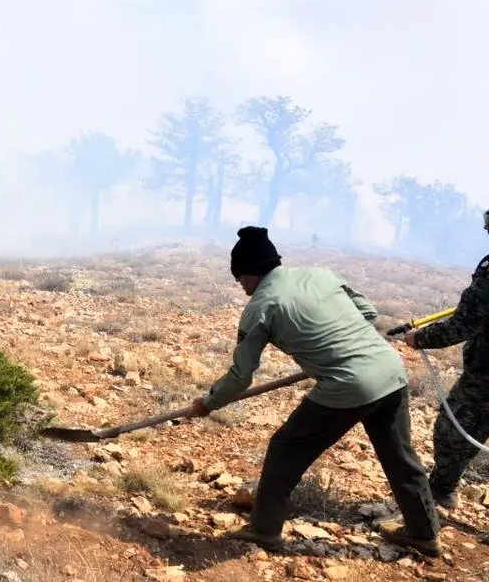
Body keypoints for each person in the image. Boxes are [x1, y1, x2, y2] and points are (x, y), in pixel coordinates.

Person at [187, 226, 442, 556]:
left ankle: (264, 530)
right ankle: (424, 533)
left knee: (285, 449)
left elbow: (240, 377)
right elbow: (368, 312)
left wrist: (207, 403)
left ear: (248, 273)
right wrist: (337, 344)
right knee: (400, 456)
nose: (242, 289)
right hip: (389, 370)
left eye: (240, 280)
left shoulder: (261, 306)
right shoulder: (320, 275)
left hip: (348, 383)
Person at [401, 209, 489, 511]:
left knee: (452, 431)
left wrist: (419, 338)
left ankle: (441, 489)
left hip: (484, 380)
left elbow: (461, 326)